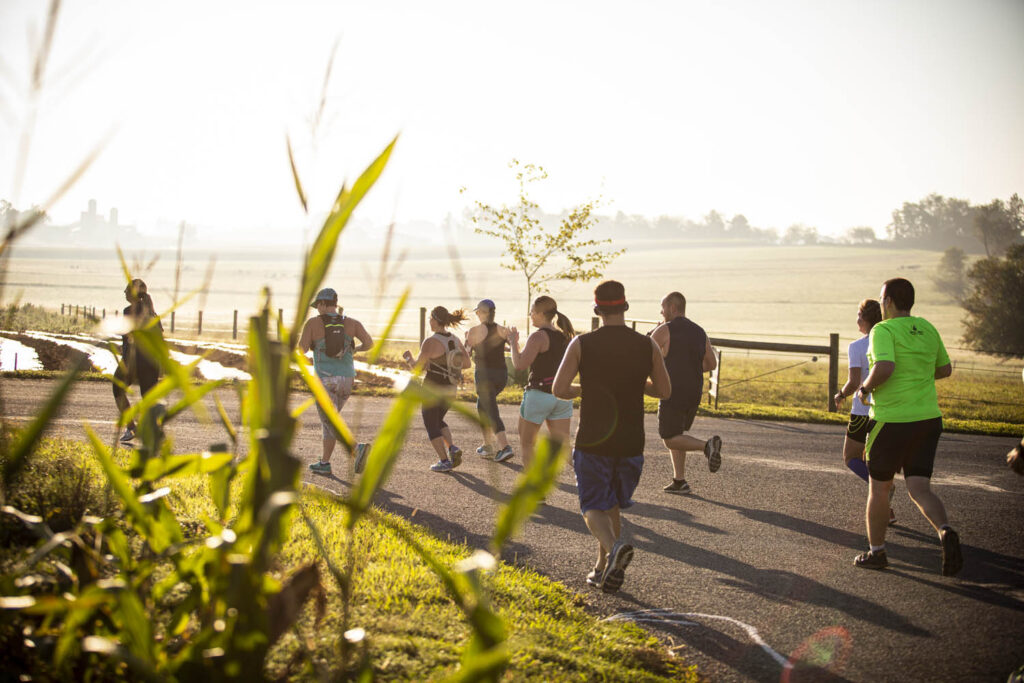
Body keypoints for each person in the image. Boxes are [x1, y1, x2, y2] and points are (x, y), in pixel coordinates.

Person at [553, 281, 671, 593]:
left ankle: (615, 548)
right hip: (632, 441)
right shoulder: (648, 345)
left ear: (598, 310)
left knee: (592, 506)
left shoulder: (581, 343)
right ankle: (602, 567)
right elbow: (664, 391)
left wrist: (587, 388)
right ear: (625, 307)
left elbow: (559, 389)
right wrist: (635, 385)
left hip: (594, 438)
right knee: (612, 505)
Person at [853, 278, 961, 576]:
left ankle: (877, 553)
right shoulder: (927, 327)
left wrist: (864, 389)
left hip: (891, 420)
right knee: (919, 487)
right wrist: (917, 377)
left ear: (887, 301)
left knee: (879, 488)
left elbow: (884, 367)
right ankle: (946, 531)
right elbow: (944, 368)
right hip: (927, 418)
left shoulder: (882, 330)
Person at [650, 291, 721, 494]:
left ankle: (707, 446)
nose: (661, 312)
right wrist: (689, 367)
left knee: (668, 438)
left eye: (663, 308)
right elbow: (711, 363)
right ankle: (679, 481)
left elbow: (646, 355)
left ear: (673, 308)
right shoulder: (700, 331)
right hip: (694, 391)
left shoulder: (665, 330)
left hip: (672, 389)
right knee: (677, 434)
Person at [834, 298, 897, 524]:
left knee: (851, 457)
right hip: (886, 410)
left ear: (864, 318)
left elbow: (853, 383)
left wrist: (840, 395)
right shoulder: (890, 340)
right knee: (873, 459)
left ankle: (884, 490)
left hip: (862, 411)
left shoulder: (857, 346)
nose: (856, 320)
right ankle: (886, 511)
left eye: (858, 315)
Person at [299, 288, 373, 476]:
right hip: (347, 378)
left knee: (330, 420)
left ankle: (357, 449)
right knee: (329, 421)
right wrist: (354, 350)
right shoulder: (351, 322)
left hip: (325, 378)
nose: (317, 310)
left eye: (318, 306)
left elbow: (302, 349)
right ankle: (324, 463)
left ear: (324, 304)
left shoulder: (313, 323)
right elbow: (369, 343)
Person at [509, 296, 575, 470]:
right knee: (564, 447)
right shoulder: (564, 336)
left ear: (539, 314)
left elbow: (519, 365)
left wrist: (513, 343)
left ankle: (534, 492)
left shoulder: (538, 337)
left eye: (532, 312)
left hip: (539, 395)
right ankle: (594, 482)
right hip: (561, 395)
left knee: (527, 444)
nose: (530, 315)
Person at [403, 306, 472, 473]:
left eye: (431, 319)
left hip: (432, 388)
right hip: (451, 388)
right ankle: (452, 448)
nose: (429, 322)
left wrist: (408, 358)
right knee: (439, 420)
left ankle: (444, 461)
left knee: (431, 424)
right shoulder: (455, 339)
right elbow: (467, 364)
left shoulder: (430, 341)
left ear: (435, 320)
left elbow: (417, 368)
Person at [113, 278, 163, 443]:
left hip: (134, 360)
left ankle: (131, 427)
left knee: (118, 388)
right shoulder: (152, 312)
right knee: (148, 397)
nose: (124, 293)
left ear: (132, 293)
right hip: (152, 360)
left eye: (127, 290)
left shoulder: (129, 311)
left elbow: (128, 335)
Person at [464, 299, 513, 462]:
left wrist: (467, 342)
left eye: (478, 312)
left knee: (490, 409)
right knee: (482, 406)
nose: (477, 315)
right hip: (501, 376)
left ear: (484, 313)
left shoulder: (474, 331)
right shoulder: (503, 330)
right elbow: (513, 349)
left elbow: (466, 356)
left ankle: (505, 447)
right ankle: (487, 445)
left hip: (485, 376)